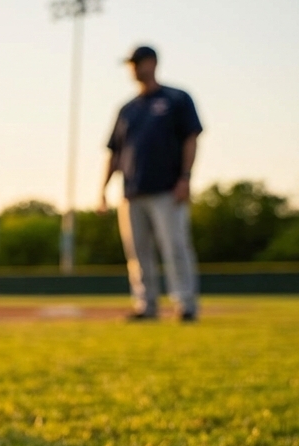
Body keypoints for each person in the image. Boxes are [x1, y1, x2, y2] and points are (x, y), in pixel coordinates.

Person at [98, 45, 204, 323]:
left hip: (167, 189)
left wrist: (185, 178)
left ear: (153, 62)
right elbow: (114, 152)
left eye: (138, 62)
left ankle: (185, 304)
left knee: (175, 247)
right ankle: (146, 305)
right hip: (132, 192)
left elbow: (191, 138)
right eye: (131, 64)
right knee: (137, 254)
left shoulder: (176, 98)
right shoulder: (127, 109)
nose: (134, 68)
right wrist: (103, 190)